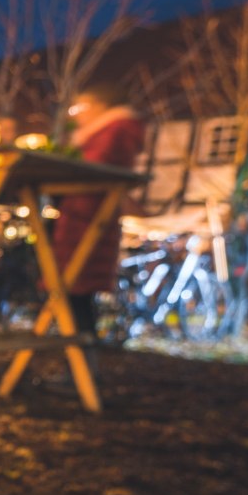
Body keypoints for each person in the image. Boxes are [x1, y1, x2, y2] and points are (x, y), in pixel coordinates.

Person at [58, 83, 146, 337]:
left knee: (76, 291)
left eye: (81, 106)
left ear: (100, 106)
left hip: (86, 217)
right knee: (75, 294)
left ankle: (81, 364)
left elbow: (94, 165)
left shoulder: (113, 131)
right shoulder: (107, 131)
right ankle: (80, 364)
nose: (78, 114)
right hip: (84, 216)